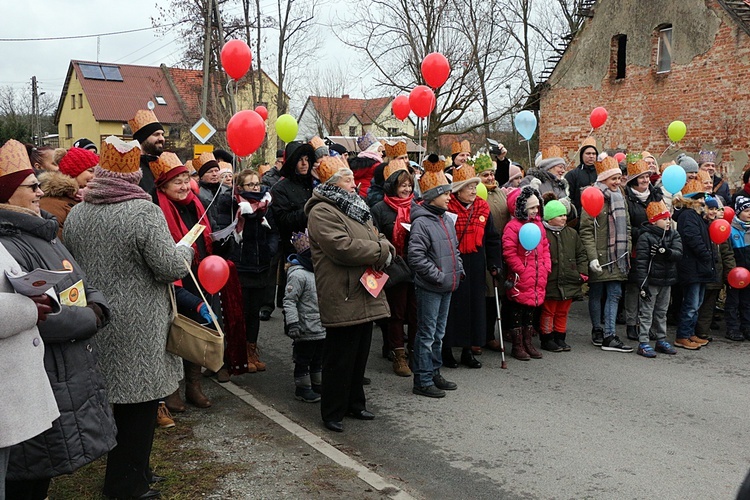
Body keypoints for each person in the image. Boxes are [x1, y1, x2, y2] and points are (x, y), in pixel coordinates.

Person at [63, 136, 194, 499]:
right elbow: (169, 267)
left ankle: (136, 470)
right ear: (135, 173)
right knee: (139, 409)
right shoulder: (142, 211)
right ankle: (126, 486)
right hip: (139, 328)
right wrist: (186, 248)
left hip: (97, 319)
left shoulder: (79, 212)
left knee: (115, 406)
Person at [0, 139, 116, 499]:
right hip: (41, 371)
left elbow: (79, 279)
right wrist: (89, 320)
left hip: (66, 367)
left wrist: (97, 304)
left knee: (41, 469)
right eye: (31, 185)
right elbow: (37, 313)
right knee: (28, 470)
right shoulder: (9, 243)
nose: (40, 190)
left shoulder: (43, 230)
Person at [306, 155, 394, 433]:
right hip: (342, 291)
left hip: (364, 289)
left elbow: (375, 234)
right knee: (339, 357)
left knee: (359, 354)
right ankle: (332, 411)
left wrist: (380, 245)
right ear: (333, 183)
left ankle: (355, 403)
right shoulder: (322, 211)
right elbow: (342, 247)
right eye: (348, 179)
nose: (354, 184)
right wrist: (382, 251)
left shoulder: (356, 206)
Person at [151, 152, 218, 407]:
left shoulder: (195, 204)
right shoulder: (157, 209)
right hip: (172, 279)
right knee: (173, 333)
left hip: (198, 275)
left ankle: (194, 385)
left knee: (196, 331)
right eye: (176, 182)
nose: (183, 186)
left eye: (185, 179)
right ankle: (171, 389)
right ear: (163, 185)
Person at [408, 154, 463, 398]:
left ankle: (434, 371)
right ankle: (422, 378)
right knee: (427, 333)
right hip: (431, 287)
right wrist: (439, 276)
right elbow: (416, 257)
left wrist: (457, 270)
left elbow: (455, 249)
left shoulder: (445, 220)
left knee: (439, 333)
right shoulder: (422, 222)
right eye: (445, 193)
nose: (449, 197)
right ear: (432, 196)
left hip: (446, 286)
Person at [443, 156, 503, 368]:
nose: (473, 191)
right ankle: (447, 349)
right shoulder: (447, 207)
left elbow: (492, 238)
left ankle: (468, 350)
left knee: (473, 308)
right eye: (469, 187)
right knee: (452, 309)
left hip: (476, 262)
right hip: (453, 262)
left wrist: (494, 264)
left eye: (474, 186)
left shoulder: (482, 208)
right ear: (458, 190)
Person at [579, 156, 633, 352]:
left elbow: (626, 226)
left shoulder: (621, 197)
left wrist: (626, 250)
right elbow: (585, 230)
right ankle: (597, 330)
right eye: (613, 179)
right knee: (596, 293)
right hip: (599, 256)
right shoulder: (592, 196)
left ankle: (609, 335)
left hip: (617, 257)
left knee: (615, 293)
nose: (617, 183)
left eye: (619, 179)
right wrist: (592, 256)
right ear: (603, 179)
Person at [371, 159, 417, 376]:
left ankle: (415, 352)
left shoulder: (417, 207)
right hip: (394, 268)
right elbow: (375, 236)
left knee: (416, 313)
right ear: (392, 187)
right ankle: (398, 355)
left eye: (409, 185)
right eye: (402, 186)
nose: (406, 189)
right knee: (396, 313)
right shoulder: (380, 209)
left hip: (416, 265)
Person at [231, 168, 278, 371]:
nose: (255, 188)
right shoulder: (235, 204)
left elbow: (274, 232)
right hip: (241, 266)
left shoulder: (266, 205)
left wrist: (270, 250)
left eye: (257, 183)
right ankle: (238, 354)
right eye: (250, 185)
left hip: (261, 266)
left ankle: (252, 351)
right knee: (240, 312)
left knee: (254, 313)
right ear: (241, 187)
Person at [502, 186, 550, 360]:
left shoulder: (539, 225)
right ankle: (517, 345)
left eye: (537, 207)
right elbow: (509, 251)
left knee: (531, 310)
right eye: (531, 208)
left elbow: (545, 247)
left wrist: (545, 266)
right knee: (517, 310)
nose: (535, 211)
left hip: (537, 275)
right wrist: (521, 269)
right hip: (520, 276)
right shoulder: (512, 227)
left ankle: (528, 342)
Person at [632, 201, 683, 357]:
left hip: (667, 281)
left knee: (662, 311)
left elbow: (678, 253)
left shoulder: (673, 234)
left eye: (669, 219)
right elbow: (641, 263)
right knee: (646, 312)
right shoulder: (645, 237)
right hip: (651, 281)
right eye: (664, 219)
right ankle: (644, 342)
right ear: (654, 220)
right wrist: (642, 285)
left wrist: (666, 252)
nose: (668, 222)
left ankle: (661, 339)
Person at [671, 178, 716, 350]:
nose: (703, 202)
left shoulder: (696, 216)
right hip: (692, 266)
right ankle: (683, 335)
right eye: (700, 198)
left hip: (699, 266)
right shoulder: (688, 216)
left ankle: (690, 333)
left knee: (696, 304)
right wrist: (706, 255)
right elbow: (693, 239)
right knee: (691, 303)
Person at [623, 156, 663, 341]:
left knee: (652, 287)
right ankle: (631, 323)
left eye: (647, 176)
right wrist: (644, 231)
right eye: (641, 177)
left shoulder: (656, 195)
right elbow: (627, 226)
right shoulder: (627, 199)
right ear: (633, 180)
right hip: (636, 248)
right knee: (634, 287)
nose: (646, 180)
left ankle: (647, 324)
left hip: (654, 248)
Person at [540, 197, 588, 351]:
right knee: (549, 311)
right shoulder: (543, 234)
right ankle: (547, 338)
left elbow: (581, 254)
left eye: (564, 215)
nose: (564, 218)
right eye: (559, 215)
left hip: (569, 279)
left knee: (563, 311)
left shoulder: (572, 234)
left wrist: (582, 273)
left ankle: (560, 337)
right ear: (549, 217)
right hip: (551, 280)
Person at [283, 231, 325, 403]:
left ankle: (317, 383)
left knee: (318, 358)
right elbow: (289, 301)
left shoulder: (319, 273)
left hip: (321, 326)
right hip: (304, 327)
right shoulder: (298, 275)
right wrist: (293, 323)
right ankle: (302, 387)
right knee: (303, 359)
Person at [475, 153, 511, 352]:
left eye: (491, 174)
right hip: (482, 249)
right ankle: (479, 336)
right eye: (485, 175)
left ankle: (490, 334)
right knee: (484, 296)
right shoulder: (478, 194)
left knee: (497, 296)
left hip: (500, 249)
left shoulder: (500, 192)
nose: (490, 178)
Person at [695, 196, 735, 341]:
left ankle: (702, 331)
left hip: (716, 273)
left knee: (709, 304)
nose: (712, 212)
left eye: (715, 209)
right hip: (701, 272)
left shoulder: (721, 227)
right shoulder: (700, 226)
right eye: (709, 208)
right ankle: (692, 331)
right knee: (696, 303)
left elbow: (727, 253)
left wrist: (730, 273)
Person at [38, 147, 99, 240]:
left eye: (98, 172)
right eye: (90, 171)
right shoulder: (51, 202)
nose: (95, 176)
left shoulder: (89, 197)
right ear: (73, 171)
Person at [521, 145, 576, 218]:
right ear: (549, 167)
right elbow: (522, 205)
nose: (563, 171)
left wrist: (569, 208)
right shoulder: (531, 180)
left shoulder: (562, 185)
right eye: (560, 167)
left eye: (564, 168)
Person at [726, 196, 750, 341]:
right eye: (746, 210)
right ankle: (732, 328)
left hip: (749, 273)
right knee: (733, 301)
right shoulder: (731, 230)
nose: (749, 213)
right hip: (736, 272)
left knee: (747, 301)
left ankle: (747, 326)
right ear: (738, 212)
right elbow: (728, 253)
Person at [194, 152, 234, 232]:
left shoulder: (228, 191)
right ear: (201, 176)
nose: (214, 174)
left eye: (216, 171)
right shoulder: (197, 194)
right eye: (210, 171)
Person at [129, 109, 165, 197]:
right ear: (142, 138)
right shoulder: (131, 168)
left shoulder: (162, 165)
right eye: (156, 134)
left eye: (162, 134)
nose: (162, 139)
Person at [565, 136, 599, 222]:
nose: (591, 156)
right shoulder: (572, 175)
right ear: (582, 155)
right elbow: (569, 197)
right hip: (580, 217)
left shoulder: (601, 174)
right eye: (588, 153)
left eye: (594, 154)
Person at [353, 131, 384, 199]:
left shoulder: (354, 165)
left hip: (357, 193)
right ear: (373, 150)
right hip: (370, 195)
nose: (382, 154)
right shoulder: (377, 166)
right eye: (379, 151)